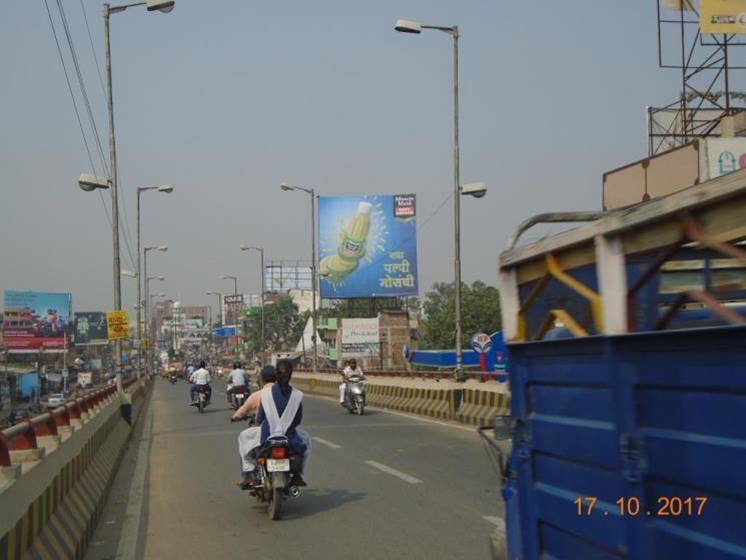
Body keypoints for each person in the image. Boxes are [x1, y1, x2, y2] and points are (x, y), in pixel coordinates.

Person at [236, 359, 308, 489]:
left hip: (267, 437)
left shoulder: (266, 394)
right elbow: (298, 420)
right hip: (290, 439)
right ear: (291, 375)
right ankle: (297, 474)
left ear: (277, 375)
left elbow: (260, 418)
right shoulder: (297, 395)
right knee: (306, 441)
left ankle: (248, 473)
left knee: (243, 437)